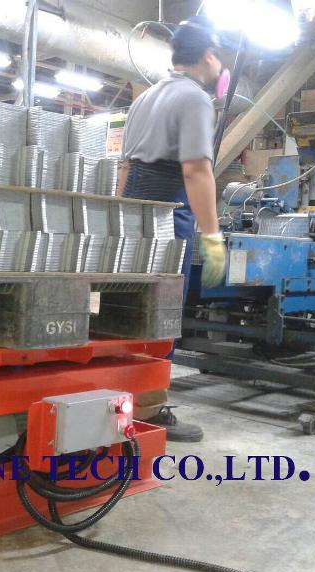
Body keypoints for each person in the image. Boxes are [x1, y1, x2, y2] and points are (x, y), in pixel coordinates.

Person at [117, 16, 228, 442]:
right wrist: (212, 236)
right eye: (217, 57)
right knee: (161, 314)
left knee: (126, 309)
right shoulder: (195, 98)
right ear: (208, 55)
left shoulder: (145, 97)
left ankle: (115, 398)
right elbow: (196, 170)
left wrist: (120, 218)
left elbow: (125, 167)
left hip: (133, 211)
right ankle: (148, 411)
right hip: (168, 213)